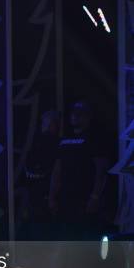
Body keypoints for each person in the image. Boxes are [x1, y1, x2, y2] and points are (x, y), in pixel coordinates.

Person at [49, 101, 110, 239]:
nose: (75, 116)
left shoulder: (95, 139)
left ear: (89, 117)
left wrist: (95, 197)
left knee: (85, 238)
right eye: (73, 113)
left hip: (84, 199)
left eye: (80, 113)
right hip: (65, 199)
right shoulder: (65, 140)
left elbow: (101, 170)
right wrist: (52, 196)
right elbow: (57, 170)